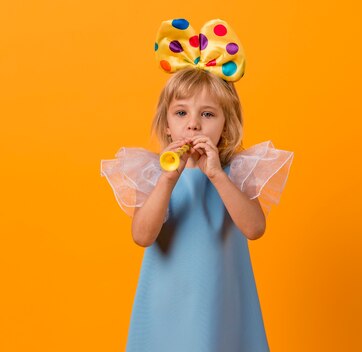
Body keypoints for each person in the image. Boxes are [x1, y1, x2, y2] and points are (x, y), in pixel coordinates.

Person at [100, 18, 294, 351]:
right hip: (166, 299)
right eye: (181, 113)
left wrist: (217, 175)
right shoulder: (149, 172)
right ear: (166, 125)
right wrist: (167, 181)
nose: (193, 125)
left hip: (219, 299)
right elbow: (142, 235)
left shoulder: (235, 171)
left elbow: (254, 228)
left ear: (226, 124)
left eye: (207, 114)